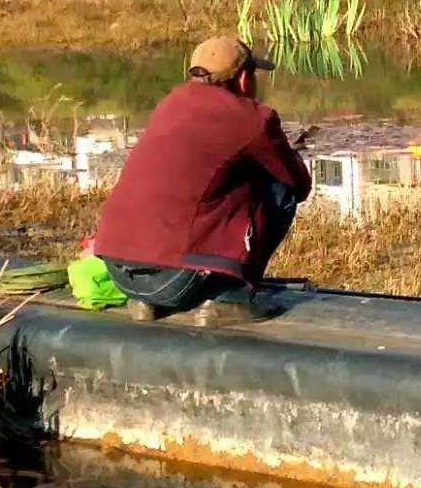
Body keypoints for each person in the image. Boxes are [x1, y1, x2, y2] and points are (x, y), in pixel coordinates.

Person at [94, 35, 312, 325]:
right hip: (177, 283)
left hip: (120, 274)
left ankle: (147, 302)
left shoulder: (169, 104)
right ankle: (230, 300)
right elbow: (298, 184)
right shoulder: (253, 118)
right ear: (245, 79)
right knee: (279, 191)